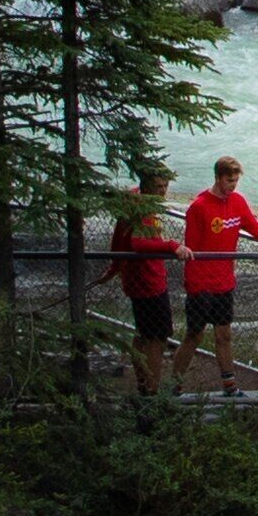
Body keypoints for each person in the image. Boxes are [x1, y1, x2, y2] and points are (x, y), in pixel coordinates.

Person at [178, 155, 258, 393]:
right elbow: (192, 248)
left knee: (224, 334)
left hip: (224, 282)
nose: (233, 186)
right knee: (194, 336)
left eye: (236, 181)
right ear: (218, 177)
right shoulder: (199, 207)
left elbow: (254, 227)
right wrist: (193, 285)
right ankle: (173, 384)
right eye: (229, 181)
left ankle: (230, 386)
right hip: (201, 283)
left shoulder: (237, 201)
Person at [109, 168, 187, 394]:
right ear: (146, 187)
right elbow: (137, 243)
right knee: (157, 338)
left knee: (143, 333)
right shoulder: (141, 209)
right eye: (158, 187)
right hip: (148, 281)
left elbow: (118, 238)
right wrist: (171, 246)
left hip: (137, 279)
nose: (163, 191)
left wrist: (115, 266)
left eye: (165, 186)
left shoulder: (133, 201)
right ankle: (150, 389)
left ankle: (143, 382)